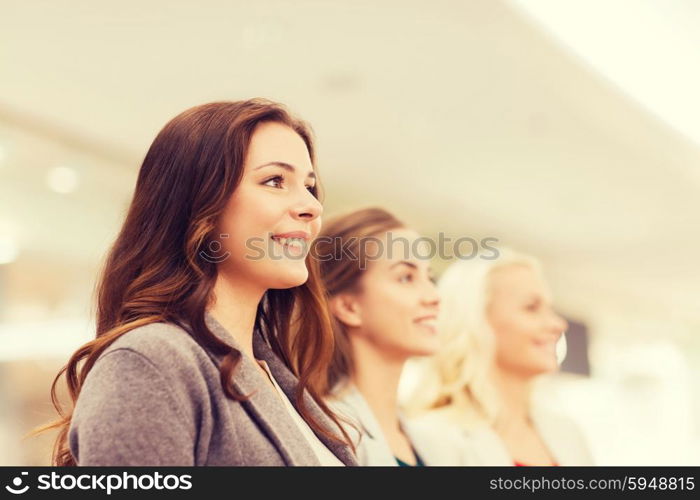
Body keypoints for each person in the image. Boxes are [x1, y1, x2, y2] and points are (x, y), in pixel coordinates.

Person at [33, 99, 356, 466]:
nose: (311, 206)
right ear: (200, 203)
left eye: (309, 186)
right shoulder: (148, 361)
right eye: (274, 181)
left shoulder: (276, 375)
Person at [315, 207, 472, 466]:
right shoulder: (326, 432)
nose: (434, 296)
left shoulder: (430, 442)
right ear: (348, 307)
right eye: (406, 277)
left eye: (429, 277)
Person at [407, 248, 593, 465]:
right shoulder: (432, 437)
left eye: (549, 308)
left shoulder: (568, 433)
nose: (558, 324)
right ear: (476, 321)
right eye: (531, 308)